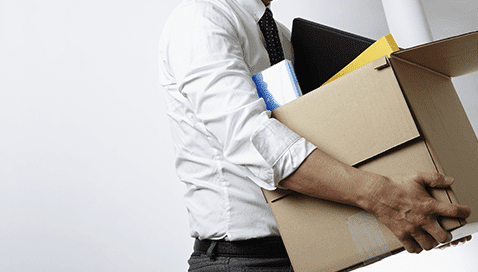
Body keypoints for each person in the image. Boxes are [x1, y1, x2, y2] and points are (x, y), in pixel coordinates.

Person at [157, 0, 472, 270]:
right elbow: (255, 141)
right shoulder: (202, 19)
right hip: (245, 261)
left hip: (311, 252)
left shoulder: (280, 35)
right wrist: (382, 195)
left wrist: (416, 207)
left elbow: (319, 139)